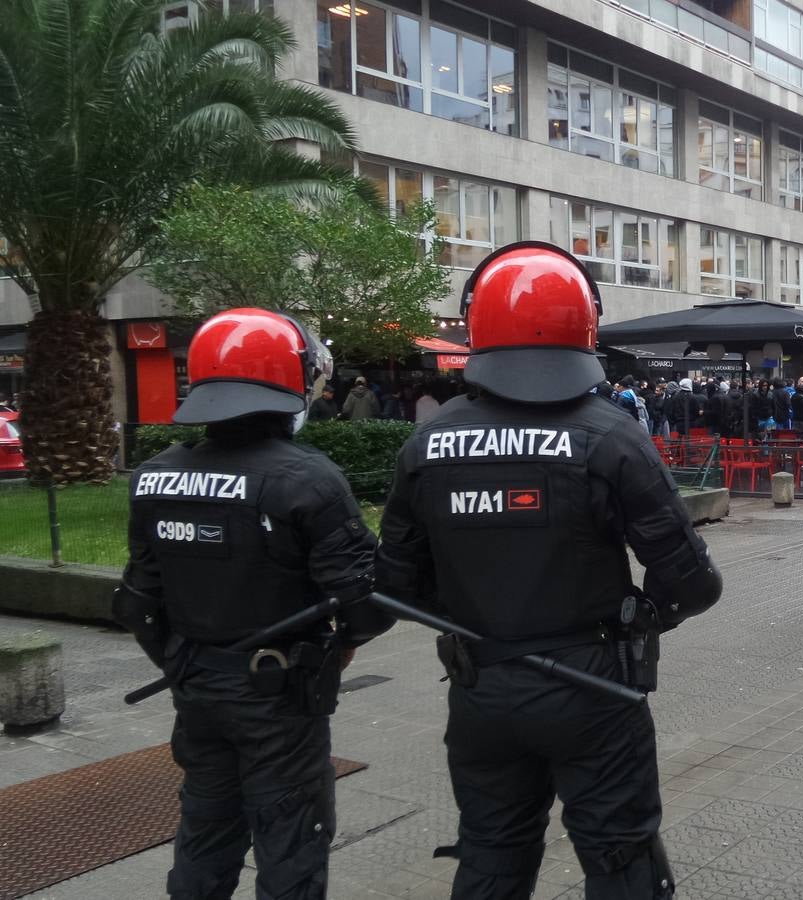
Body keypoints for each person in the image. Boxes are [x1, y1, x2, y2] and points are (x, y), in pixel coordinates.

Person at [376, 243, 721, 899]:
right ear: (585, 327)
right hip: (595, 689)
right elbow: (691, 580)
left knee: (491, 858)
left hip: (481, 688)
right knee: (622, 863)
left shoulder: (429, 444)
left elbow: (395, 585)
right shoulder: (611, 435)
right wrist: (652, 614)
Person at [116, 308, 394, 900]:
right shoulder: (308, 479)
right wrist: (341, 644)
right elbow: (369, 603)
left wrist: (184, 661)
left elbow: (137, 602)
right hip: (280, 696)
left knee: (205, 831)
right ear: (285, 384)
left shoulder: (154, 475)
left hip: (196, 686)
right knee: (292, 840)